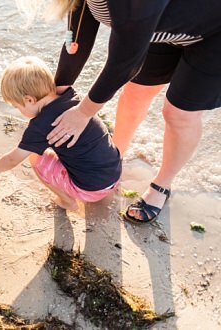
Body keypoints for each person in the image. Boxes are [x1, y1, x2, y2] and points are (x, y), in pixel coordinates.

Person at [41, 0, 221, 223]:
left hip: (214, 35)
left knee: (178, 112)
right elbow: (76, 43)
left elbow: (123, 65)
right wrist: (55, 97)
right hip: (159, 27)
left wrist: (82, 113)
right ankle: (113, 159)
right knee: (135, 92)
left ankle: (162, 185)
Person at [0, 57, 121, 210]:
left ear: (29, 100)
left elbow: (12, 159)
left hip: (90, 191)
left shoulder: (40, 125)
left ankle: (67, 201)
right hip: (115, 173)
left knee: (36, 157)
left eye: (17, 106)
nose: (19, 111)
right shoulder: (73, 97)